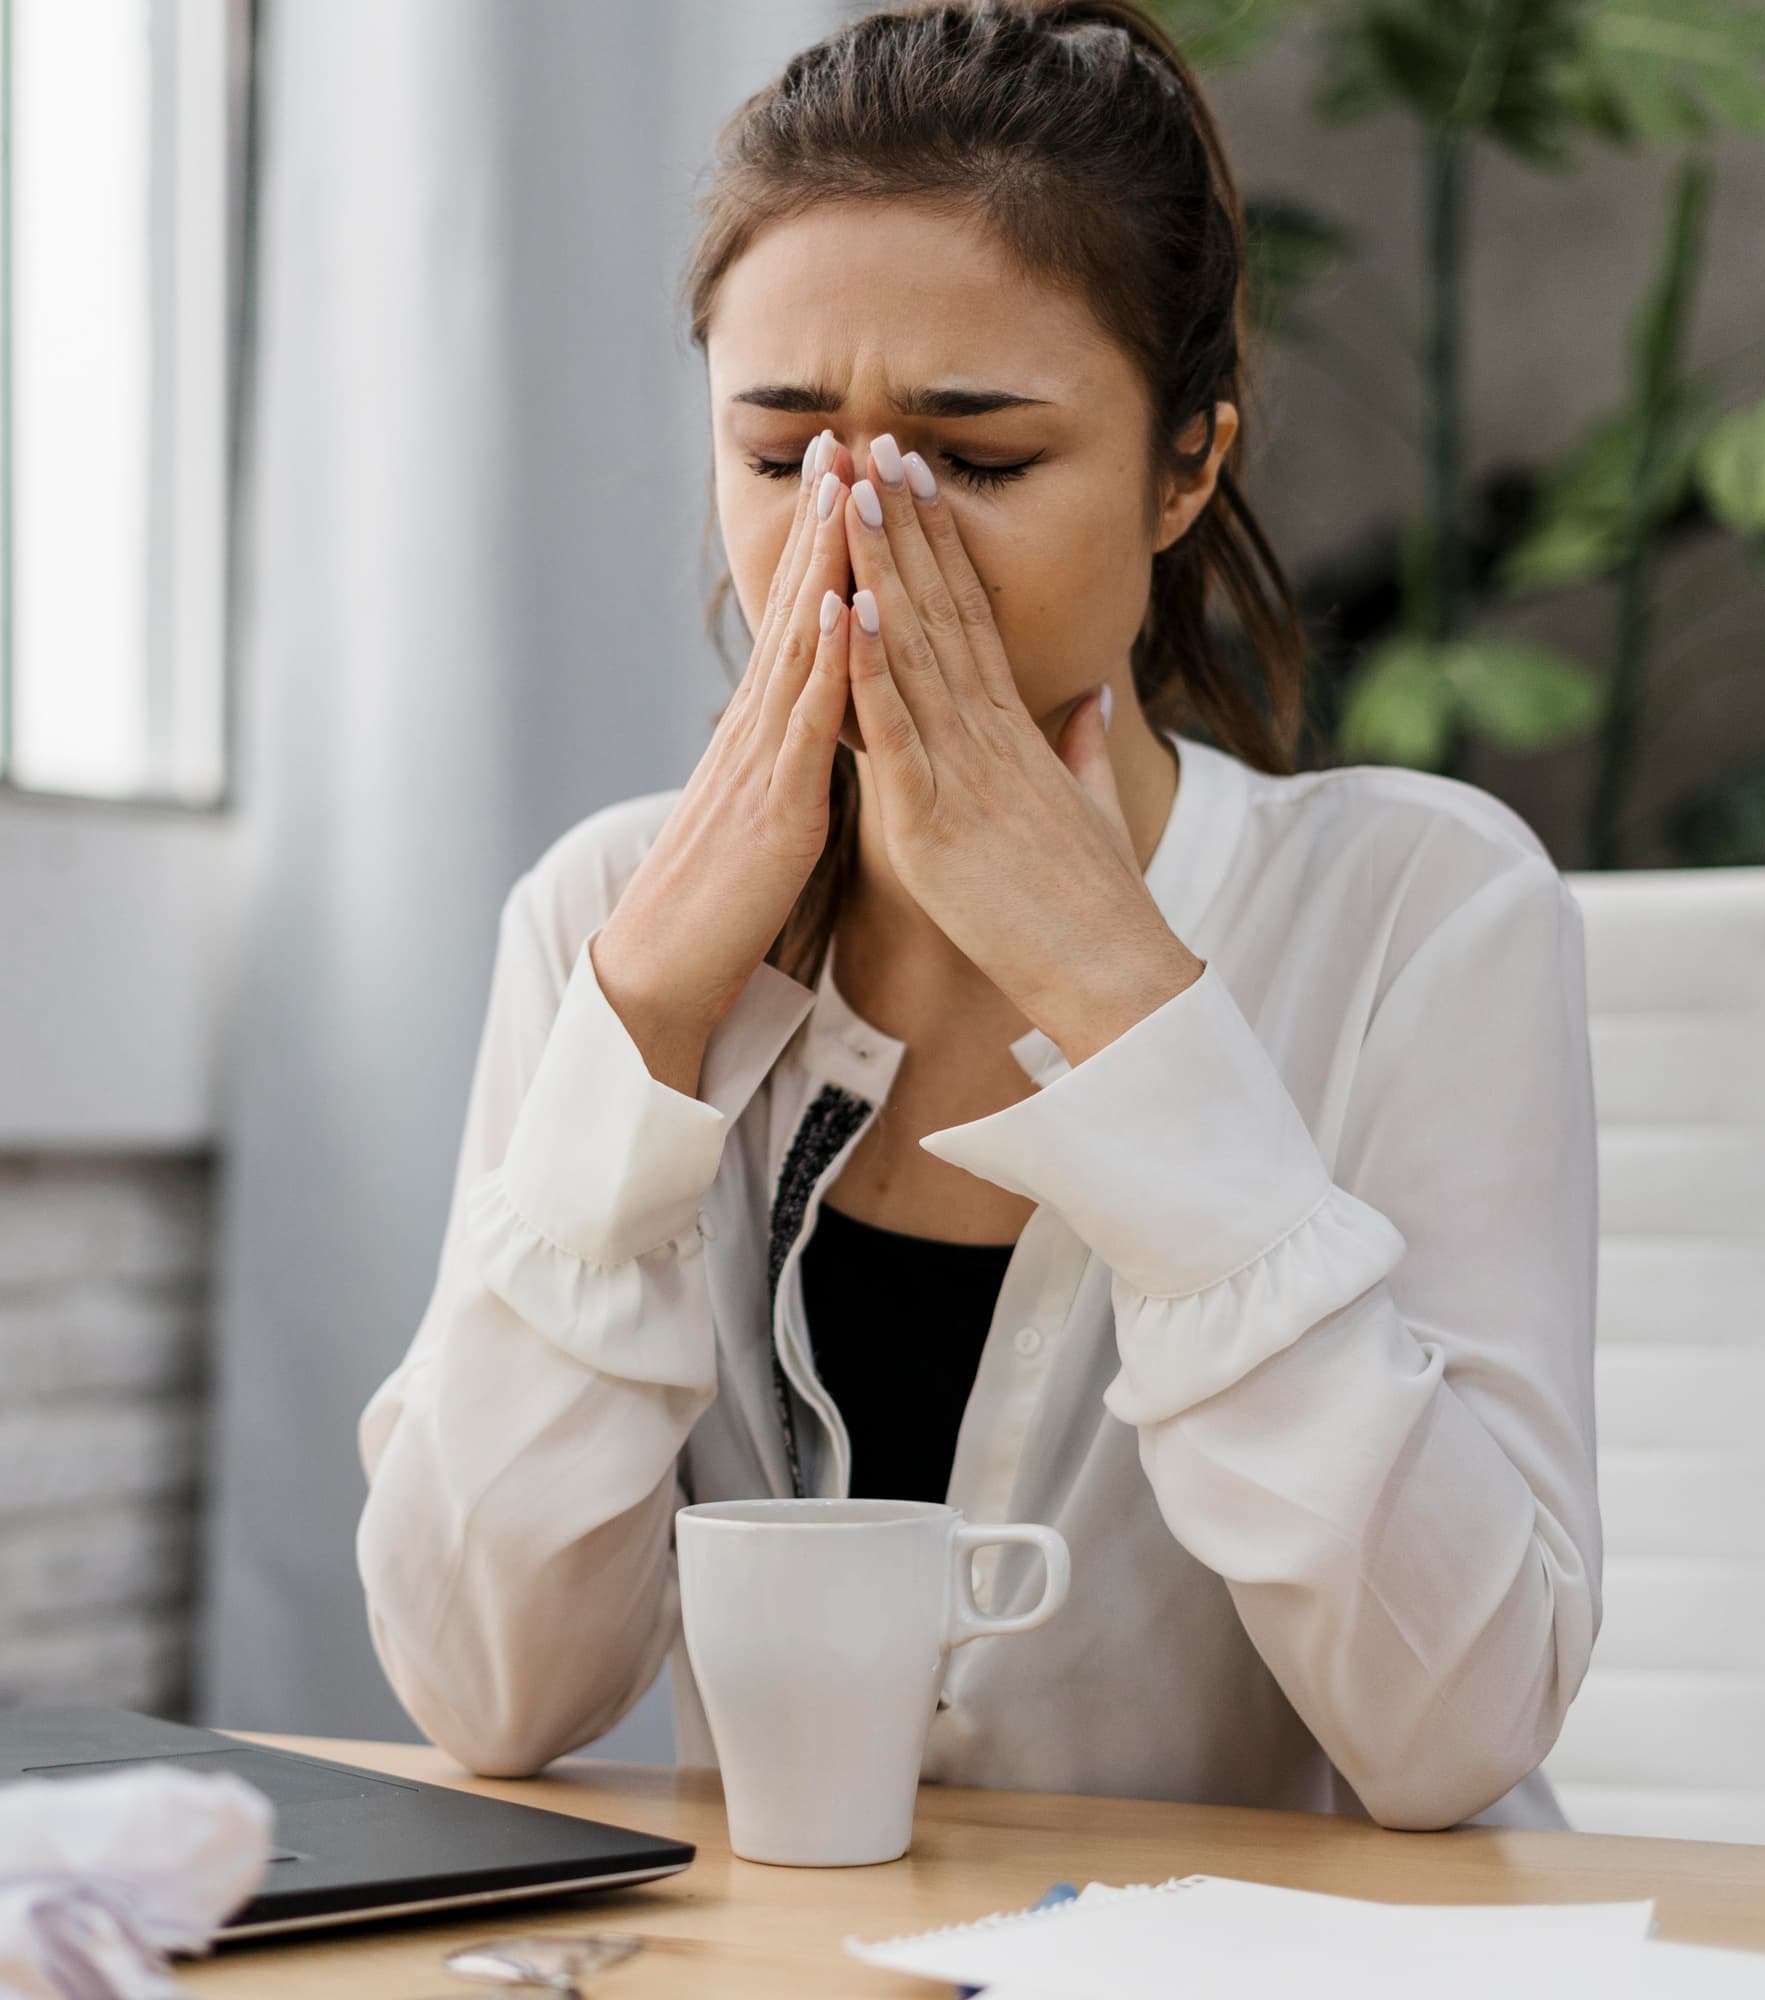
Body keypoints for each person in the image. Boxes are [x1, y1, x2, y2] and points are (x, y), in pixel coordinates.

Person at [355, 0, 1601, 1833]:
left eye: (984, 464)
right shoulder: (605, 918)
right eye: (785, 459)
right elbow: (490, 1692)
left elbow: (1457, 1731)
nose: (862, 549)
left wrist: (1120, 995)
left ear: (1185, 469)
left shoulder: (1425, 907)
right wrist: (640, 1029)